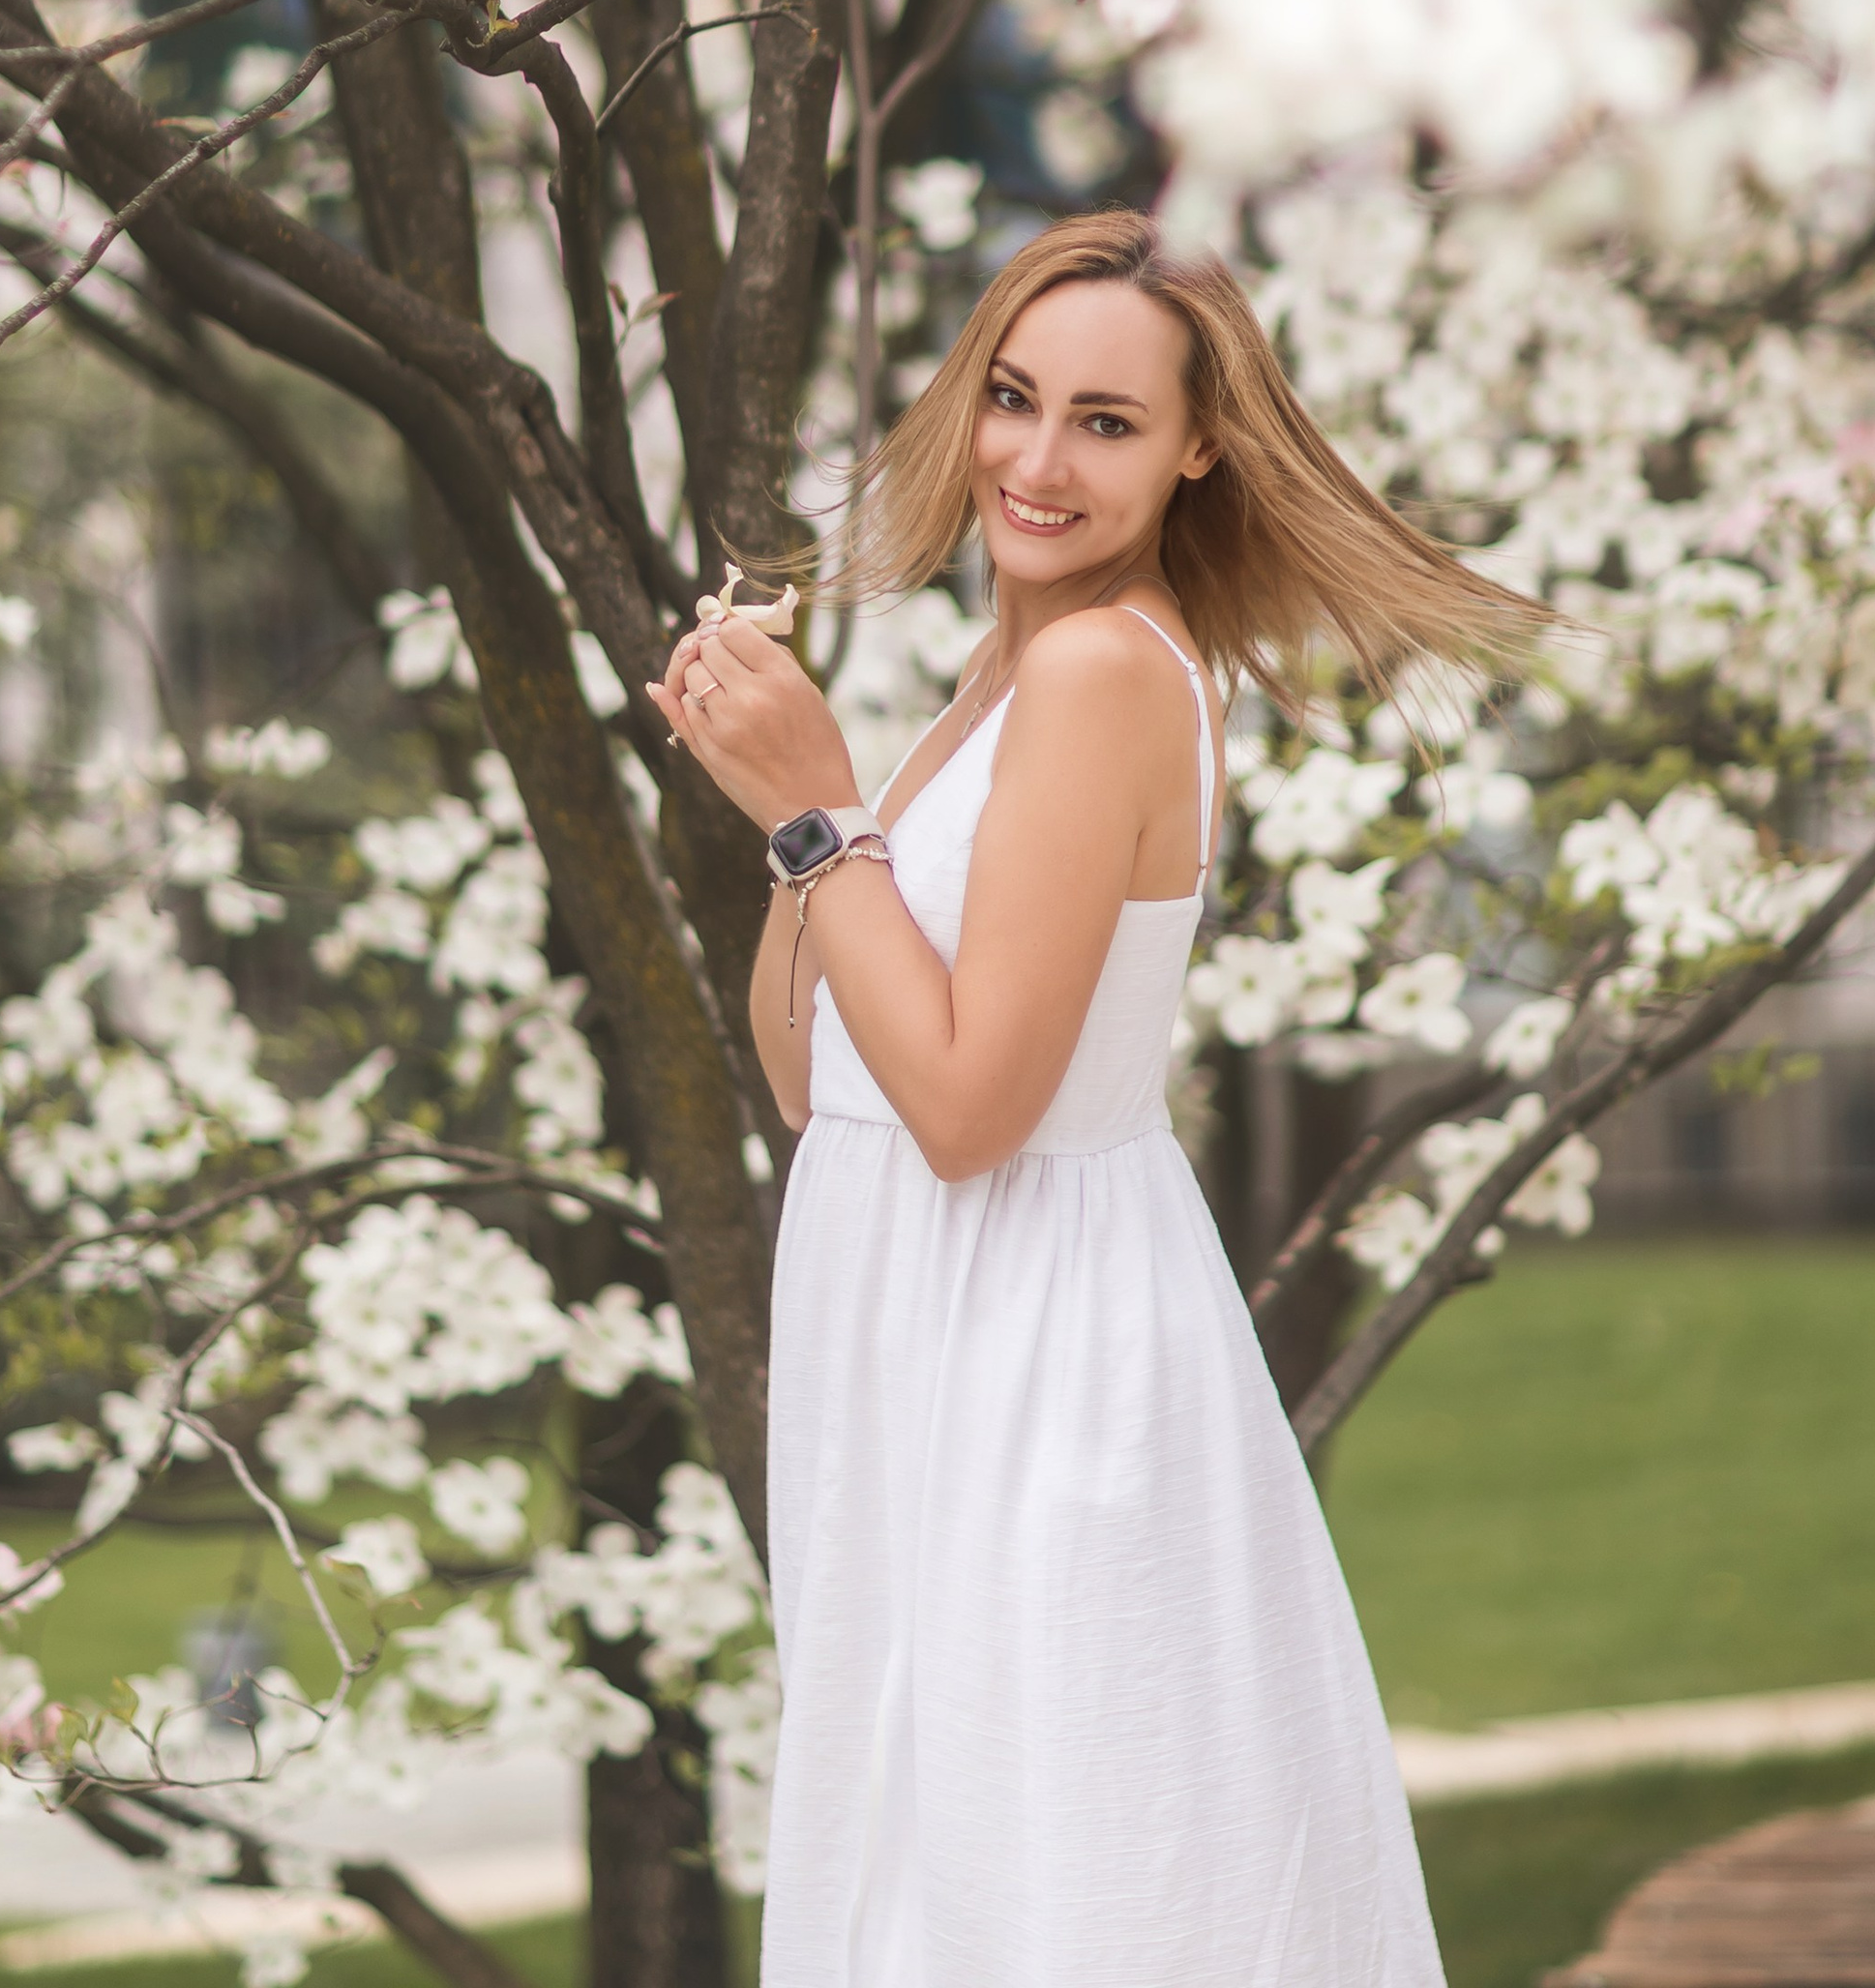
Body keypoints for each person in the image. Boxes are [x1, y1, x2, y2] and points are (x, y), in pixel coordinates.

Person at [648, 207, 1547, 1988]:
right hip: (924, 1337)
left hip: (1037, 1348)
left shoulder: (1099, 673)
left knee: (1057, 1880)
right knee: (949, 1865)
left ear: (1199, 445)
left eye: (1107, 421)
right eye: (1013, 396)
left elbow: (972, 1107)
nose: (1037, 460)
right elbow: (828, 1073)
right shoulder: (1002, 674)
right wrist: (795, 815)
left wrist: (819, 810)